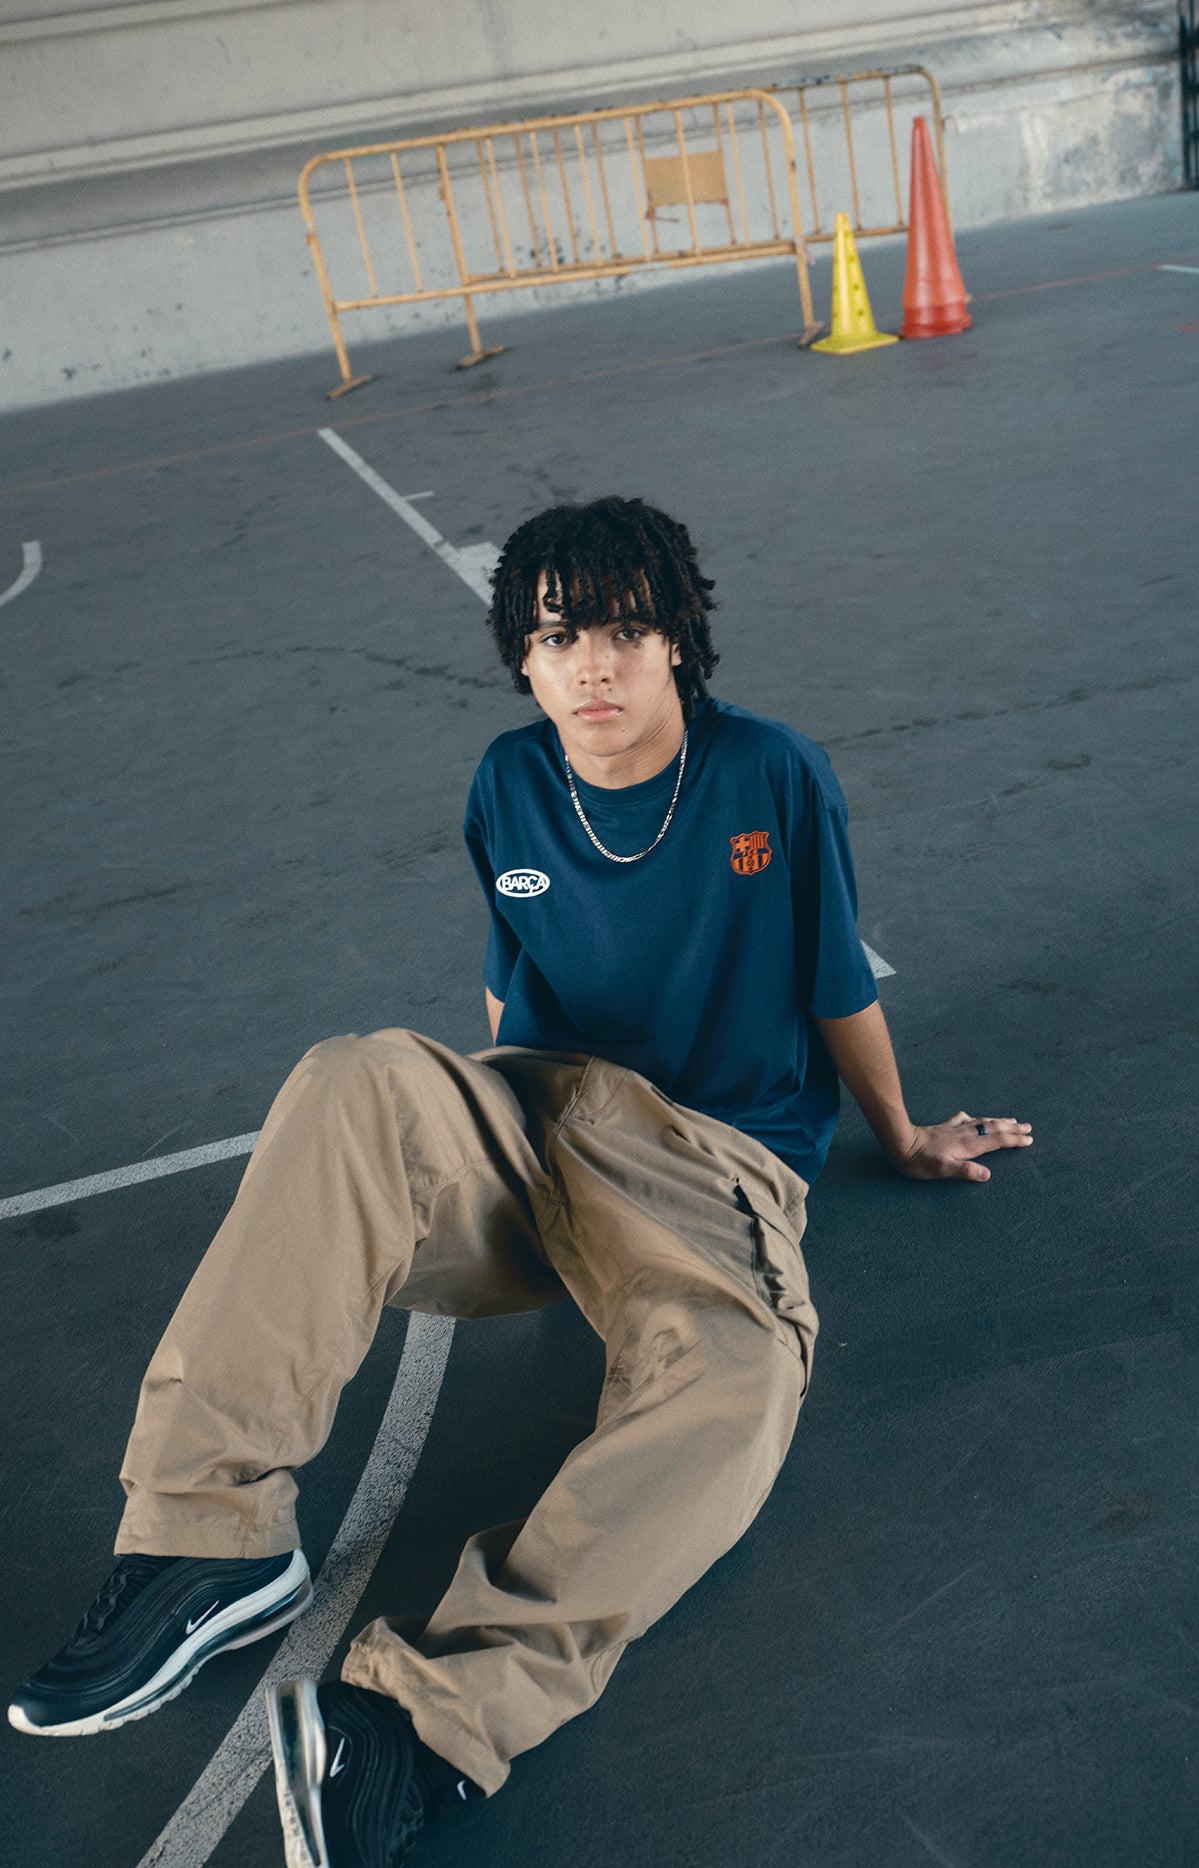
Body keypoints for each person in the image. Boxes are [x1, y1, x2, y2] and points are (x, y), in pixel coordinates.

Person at [8, 496, 1031, 1868]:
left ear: (679, 640)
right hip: (533, 1111)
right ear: (523, 661)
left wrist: (898, 1135)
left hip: (704, 1154)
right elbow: (510, 987)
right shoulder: (504, 784)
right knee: (354, 1076)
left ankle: (424, 1722)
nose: (591, 666)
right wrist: (480, 1155)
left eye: (621, 628)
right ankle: (207, 1540)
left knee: (741, 1383)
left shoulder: (770, 776)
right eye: (558, 638)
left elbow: (834, 980)